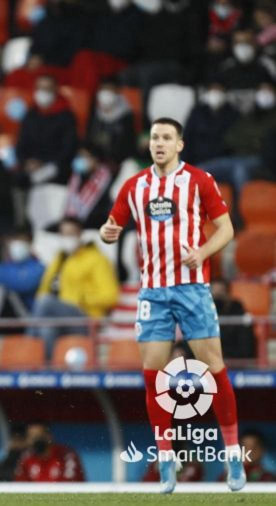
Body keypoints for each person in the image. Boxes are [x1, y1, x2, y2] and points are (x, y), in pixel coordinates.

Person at [100, 117, 245, 494]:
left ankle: (232, 454)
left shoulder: (199, 181)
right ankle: (167, 461)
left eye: (167, 138)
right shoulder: (134, 186)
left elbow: (226, 228)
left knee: (214, 368)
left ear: (180, 144)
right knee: (153, 375)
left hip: (193, 289)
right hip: (153, 292)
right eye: (154, 138)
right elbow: (111, 225)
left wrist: (202, 252)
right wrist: (107, 232)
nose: (159, 143)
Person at [30, 217, 119, 358]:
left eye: (70, 234)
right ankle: (46, 373)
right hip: (60, 318)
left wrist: (81, 298)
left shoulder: (97, 259)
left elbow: (111, 296)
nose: (66, 238)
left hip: (86, 318)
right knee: (46, 328)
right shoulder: (59, 259)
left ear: (80, 235)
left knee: (45, 302)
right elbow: (44, 289)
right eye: (63, 234)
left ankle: (28, 346)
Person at [13, 422, 85, 482]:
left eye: (39, 436)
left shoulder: (65, 455)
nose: (36, 441)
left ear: (48, 436)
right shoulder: (26, 458)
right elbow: (20, 485)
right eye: (32, 437)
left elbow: (71, 484)